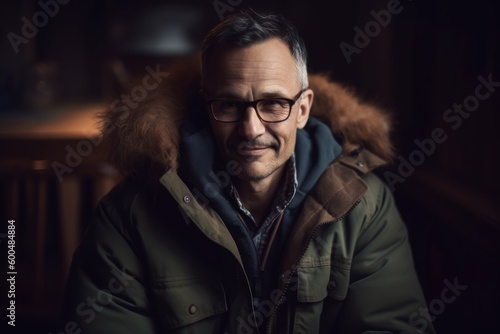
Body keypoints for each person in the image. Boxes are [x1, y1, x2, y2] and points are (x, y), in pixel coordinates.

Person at [60, 10, 436, 334]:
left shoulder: (363, 205)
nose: (251, 129)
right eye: (229, 104)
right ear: (206, 106)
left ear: (303, 109)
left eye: (273, 104)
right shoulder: (130, 215)